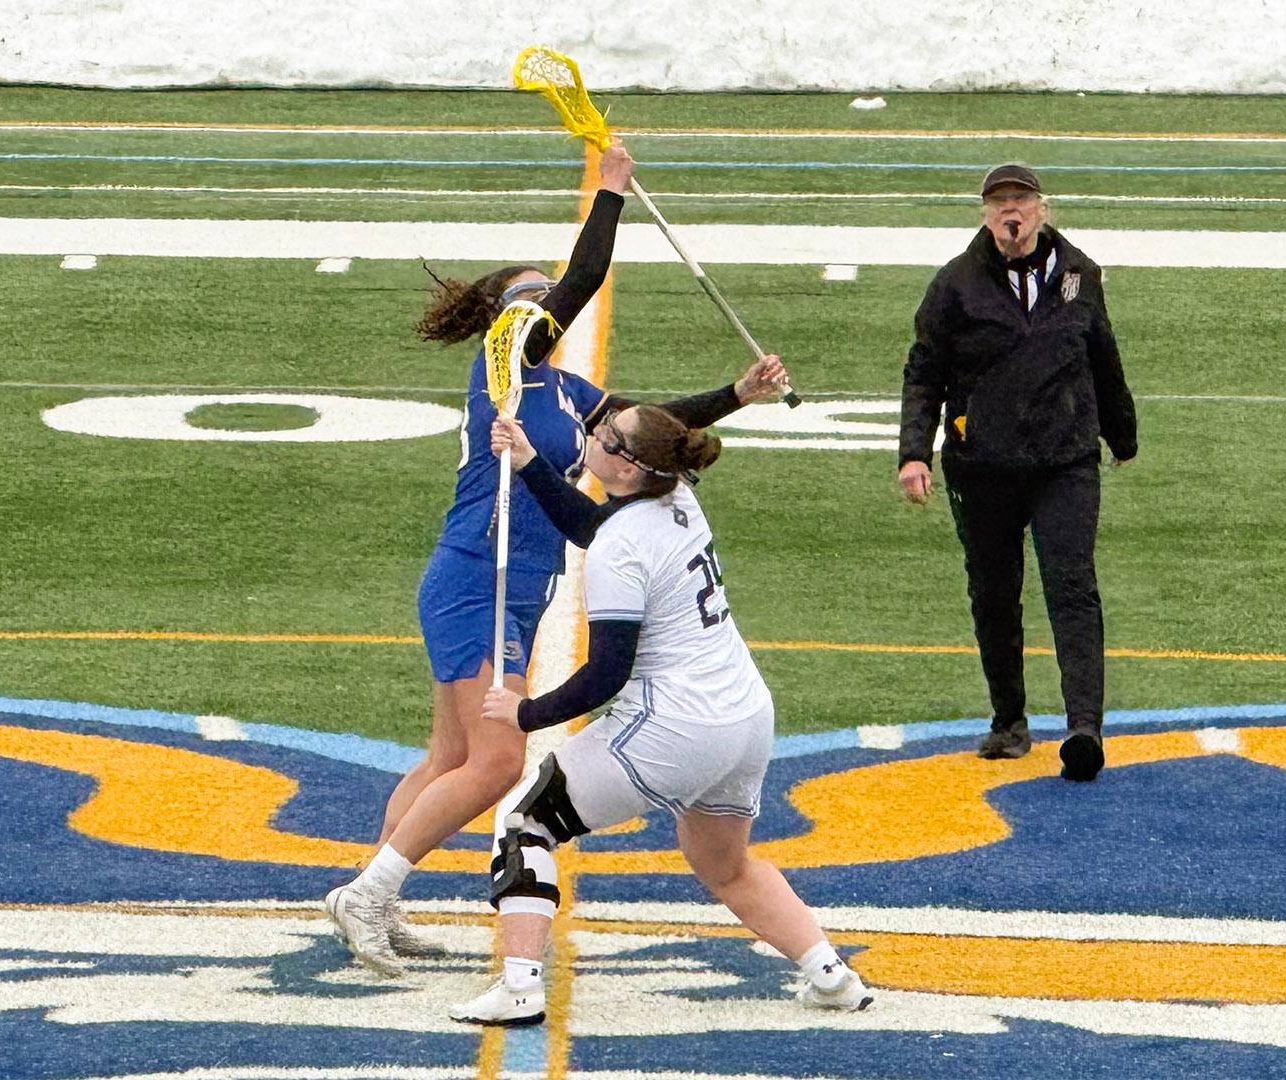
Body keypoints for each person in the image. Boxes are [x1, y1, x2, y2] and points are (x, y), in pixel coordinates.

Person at [325, 141, 792, 974]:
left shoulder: (565, 391)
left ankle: (372, 893)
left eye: (543, 299)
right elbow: (581, 284)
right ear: (507, 318)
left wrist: (736, 395)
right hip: (476, 580)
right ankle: (367, 895)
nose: (544, 308)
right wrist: (608, 195)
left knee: (450, 759)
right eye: (529, 300)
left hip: (515, 588)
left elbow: (650, 423)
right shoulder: (504, 372)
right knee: (502, 757)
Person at [446, 402, 873, 1025]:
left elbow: (606, 673)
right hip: (746, 718)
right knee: (724, 864)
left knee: (525, 822)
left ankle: (519, 987)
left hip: (679, 725)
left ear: (626, 468)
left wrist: (526, 713)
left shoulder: (621, 550)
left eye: (605, 435)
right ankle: (831, 975)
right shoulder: (676, 498)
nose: (593, 434)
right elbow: (596, 523)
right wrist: (532, 463)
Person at [898, 163, 1138, 783]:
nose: (1013, 212)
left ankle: (1085, 727)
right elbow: (924, 370)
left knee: (1073, 586)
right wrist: (914, 452)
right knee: (994, 593)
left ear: (1042, 209)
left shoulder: (1080, 274)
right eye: (1001, 203)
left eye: (1022, 201)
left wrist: (1121, 432)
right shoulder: (953, 286)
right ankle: (1009, 721)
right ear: (985, 214)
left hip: (1065, 458)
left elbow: (1101, 352)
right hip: (982, 465)